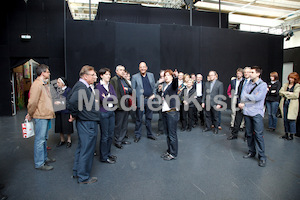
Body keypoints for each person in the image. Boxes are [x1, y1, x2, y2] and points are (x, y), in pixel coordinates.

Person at [67, 65, 99, 184]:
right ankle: (83, 177)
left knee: (82, 148)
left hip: (84, 122)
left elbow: (69, 98)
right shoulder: (82, 87)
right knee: (87, 150)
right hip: (87, 123)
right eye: (93, 75)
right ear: (85, 76)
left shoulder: (80, 85)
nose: (95, 77)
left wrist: (74, 114)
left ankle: (77, 171)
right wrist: (74, 113)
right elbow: (72, 101)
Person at [25, 64, 56, 171]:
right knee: (40, 140)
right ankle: (39, 163)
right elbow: (32, 102)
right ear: (42, 73)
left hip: (45, 115)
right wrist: (30, 113)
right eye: (47, 71)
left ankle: (44, 158)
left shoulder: (44, 84)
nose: (49, 73)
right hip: (40, 116)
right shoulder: (37, 85)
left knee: (44, 139)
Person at [240, 66, 268, 167]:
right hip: (247, 112)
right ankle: (252, 152)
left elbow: (258, 98)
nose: (249, 74)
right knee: (249, 134)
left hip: (256, 113)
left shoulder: (263, 85)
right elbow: (242, 95)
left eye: (252, 72)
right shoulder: (247, 83)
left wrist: (247, 96)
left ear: (258, 74)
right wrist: (248, 96)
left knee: (259, 135)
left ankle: (262, 157)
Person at [96, 68, 117, 164]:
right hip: (103, 113)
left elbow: (115, 98)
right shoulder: (98, 87)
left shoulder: (110, 86)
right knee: (104, 136)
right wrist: (108, 98)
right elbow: (101, 99)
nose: (109, 76)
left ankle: (108, 153)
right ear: (101, 76)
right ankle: (103, 157)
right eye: (107, 74)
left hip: (111, 112)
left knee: (110, 134)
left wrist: (106, 97)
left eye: (109, 74)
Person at [131, 61, 157, 143]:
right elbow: (133, 90)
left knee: (149, 118)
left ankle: (149, 134)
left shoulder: (151, 75)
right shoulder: (135, 77)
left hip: (149, 99)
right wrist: (134, 103)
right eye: (141, 67)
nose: (142, 68)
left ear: (146, 68)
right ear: (139, 68)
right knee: (139, 119)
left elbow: (154, 87)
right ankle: (137, 135)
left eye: (144, 67)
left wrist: (154, 94)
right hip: (140, 100)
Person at [159, 69, 179, 161]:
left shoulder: (173, 85)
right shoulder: (165, 86)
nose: (166, 77)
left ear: (171, 77)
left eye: (168, 75)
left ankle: (173, 154)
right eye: (165, 75)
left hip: (172, 112)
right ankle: (169, 151)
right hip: (165, 112)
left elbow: (175, 83)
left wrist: (175, 77)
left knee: (172, 134)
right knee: (167, 134)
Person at [110, 65, 132, 148]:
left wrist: (127, 90)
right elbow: (113, 93)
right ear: (116, 71)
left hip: (126, 104)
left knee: (124, 123)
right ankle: (117, 141)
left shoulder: (124, 80)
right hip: (119, 105)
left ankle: (121, 139)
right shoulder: (114, 80)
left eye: (123, 70)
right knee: (118, 124)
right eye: (121, 70)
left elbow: (131, 90)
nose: (123, 71)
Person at [227, 67, 251, 140]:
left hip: (248, 105)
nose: (246, 73)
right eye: (245, 72)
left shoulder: (252, 82)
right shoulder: (242, 82)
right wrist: (239, 102)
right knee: (237, 120)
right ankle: (234, 135)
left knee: (248, 121)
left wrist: (245, 104)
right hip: (239, 104)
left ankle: (247, 136)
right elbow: (240, 93)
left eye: (248, 72)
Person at [279, 72, 300, 140]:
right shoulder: (286, 85)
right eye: (290, 78)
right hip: (285, 103)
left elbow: (296, 95)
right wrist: (289, 93)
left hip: (292, 105)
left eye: (292, 78)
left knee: (291, 120)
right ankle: (286, 133)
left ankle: (291, 134)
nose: (290, 79)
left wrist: (285, 94)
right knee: (285, 119)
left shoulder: (297, 86)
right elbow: (280, 92)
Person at [54, 77, 73, 148]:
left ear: (63, 83)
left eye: (58, 82)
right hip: (59, 111)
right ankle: (62, 140)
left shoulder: (69, 90)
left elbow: (70, 101)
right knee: (60, 126)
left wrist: (61, 102)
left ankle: (69, 140)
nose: (57, 84)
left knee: (67, 126)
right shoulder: (57, 90)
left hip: (66, 111)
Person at [155, 70, 166, 136]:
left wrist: (163, 88)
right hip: (161, 102)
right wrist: (159, 89)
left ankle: (167, 129)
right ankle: (160, 130)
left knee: (168, 117)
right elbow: (154, 87)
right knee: (161, 117)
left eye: (163, 76)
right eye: (161, 76)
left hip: (168, 102)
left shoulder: (169, 82)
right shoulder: (159, 82)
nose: (162, 78)